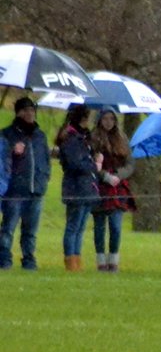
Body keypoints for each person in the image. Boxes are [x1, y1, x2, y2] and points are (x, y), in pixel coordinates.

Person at [1, 97, 50, 271]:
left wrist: (43, 179)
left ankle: (29, 259)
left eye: (32, 110)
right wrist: (12, 151)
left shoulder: (40, 135)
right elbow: (2, 159)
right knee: (8, 228)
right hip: (15, 189)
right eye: (26, 110)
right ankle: (4, 258)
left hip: (36, 190)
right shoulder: (7, 134)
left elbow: (46, 161)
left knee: (31, 230)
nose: (30, 114)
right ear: (18, 112)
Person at [89, 109, 135, 272]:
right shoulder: (93, 138)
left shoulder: (122, 138)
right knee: (99, 226)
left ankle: (113, 259)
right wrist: (104, 175)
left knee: (115, 226)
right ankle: (101, 260)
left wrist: (118, 175)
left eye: (111, 119)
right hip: (100, 186)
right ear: (99, 120)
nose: (108, 122)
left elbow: (130, 164)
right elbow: (91, 164)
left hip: (118, 187)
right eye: (105, 119)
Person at [57, 104, 100, 271]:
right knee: (73, 226)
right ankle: (70, 261)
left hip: (87, 187)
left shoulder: (83, 138)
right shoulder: (71, 139)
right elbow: (75, 164)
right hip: (76, 188)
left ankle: (77, 258)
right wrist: (94, 165)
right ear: (83, 118)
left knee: (81, 227)